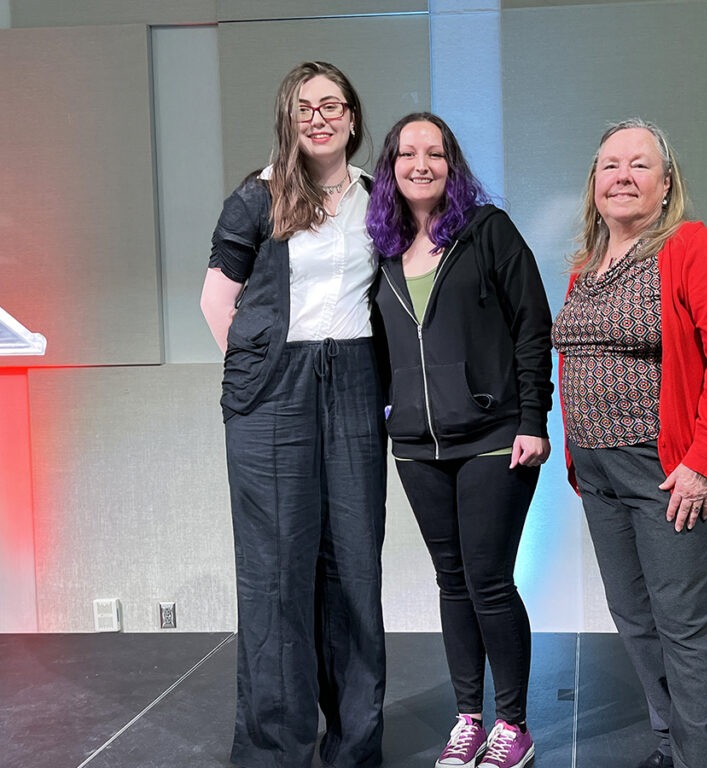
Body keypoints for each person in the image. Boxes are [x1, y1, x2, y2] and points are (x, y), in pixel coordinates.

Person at [551, 119, 707, 768]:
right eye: (610, 165)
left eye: (640, 165)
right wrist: (579, 461)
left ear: (666, 186)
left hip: (671, 471)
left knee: (689, 631)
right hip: (601, 475)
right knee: (636, 621)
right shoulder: (585, 267)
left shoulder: (694, 249)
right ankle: (671, 746)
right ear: (594, 184)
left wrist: (703, 464)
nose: (623, 176)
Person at [200, 61, 387, 768]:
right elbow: (216, 301)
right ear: (289, 117)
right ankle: (274, 750)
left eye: (331, 104)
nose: (319, 116)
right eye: (305, 106)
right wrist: (258, 370)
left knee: (352, 569)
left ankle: (354, 748)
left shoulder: (377, 199)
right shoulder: (260, 196)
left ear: (350, 116)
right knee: (277, 575)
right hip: (274, 391)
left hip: (355, 386)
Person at [366, 112, 552, 768]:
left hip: (495, 437)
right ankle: (469, 718)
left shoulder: (487, 232)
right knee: (453, 582)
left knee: (489, 579)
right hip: (417, 445)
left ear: (452, 164)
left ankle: (516, 725)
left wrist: (534, 418)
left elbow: (532, 323)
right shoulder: (380, 250)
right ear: (389, 167)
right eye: (408, 153)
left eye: (435, 153)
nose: (422, 164)